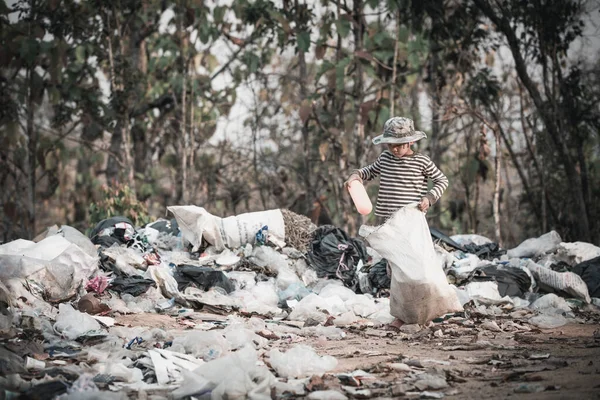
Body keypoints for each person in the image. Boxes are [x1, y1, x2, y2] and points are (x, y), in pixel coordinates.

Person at [345, 116, 449, 330]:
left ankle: (425, 312)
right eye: (390, 144)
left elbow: (442, 180)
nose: (394, 149)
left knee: (417, 269)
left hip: (411, 223)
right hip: (389, 224)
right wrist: (355, 176)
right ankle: (402, 315)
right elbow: (368, 172)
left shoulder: (422, 161)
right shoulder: (385, 159)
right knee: (397, 272)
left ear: (410, 142)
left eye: (399, 145)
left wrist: (429, 198)